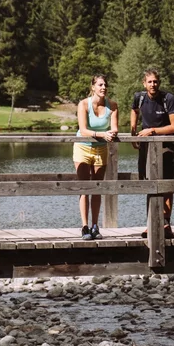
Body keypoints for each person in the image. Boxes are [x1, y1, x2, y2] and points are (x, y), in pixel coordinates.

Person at [131, 69, 174, 239]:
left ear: (159, 83)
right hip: (147, 148)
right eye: (150, 82)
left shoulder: (168, 98)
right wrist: (133, 132)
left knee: (167, 185)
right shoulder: (139, 97)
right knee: (149, 184)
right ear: (144, 84)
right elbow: (134, 110)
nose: (153, 84)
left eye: (155, 81)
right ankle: (151, 223)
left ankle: (166, 223)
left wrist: (152, 131)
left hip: (166, 147)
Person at [74, 74, 118, 239]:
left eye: (105, 85)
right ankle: (84, 227)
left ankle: (95, 226)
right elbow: (83, 130)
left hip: (101, 150)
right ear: (93, 87)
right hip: (83, 148)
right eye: (100, 85)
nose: (103, 87)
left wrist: (112, 133)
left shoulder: (112, 106)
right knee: (85, 187)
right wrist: (102, 134)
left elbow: (114, 127)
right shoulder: (83, 104)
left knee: (97, 188)